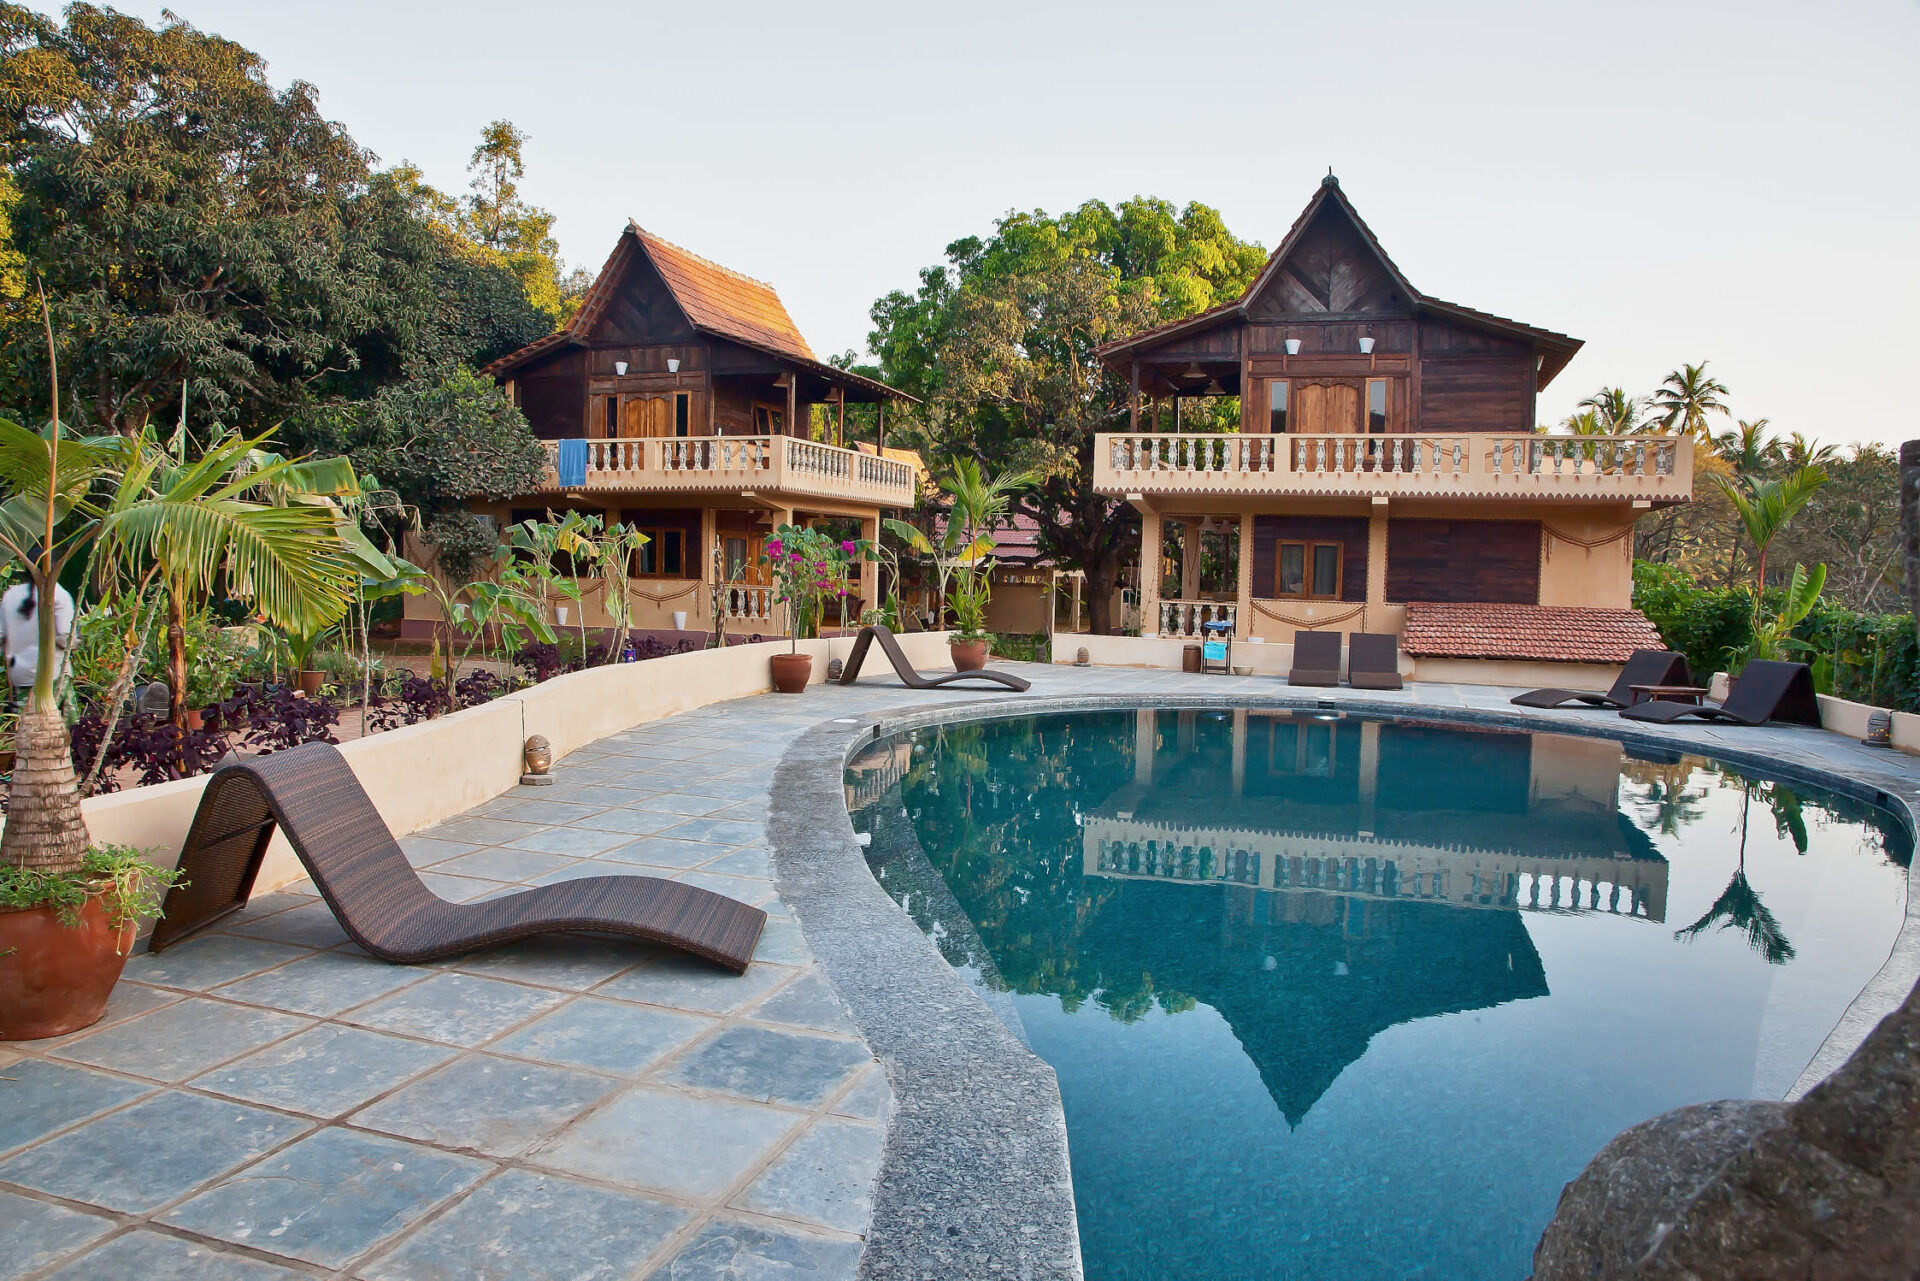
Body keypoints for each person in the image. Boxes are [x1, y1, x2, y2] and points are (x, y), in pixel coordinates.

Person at [3, 567, 75, 701]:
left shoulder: (11, 595)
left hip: (20, 676)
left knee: (24, 720)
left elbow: (2, 636)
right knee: (59, 722)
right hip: (53, 677)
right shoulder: (58, 594)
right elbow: (65, 639)